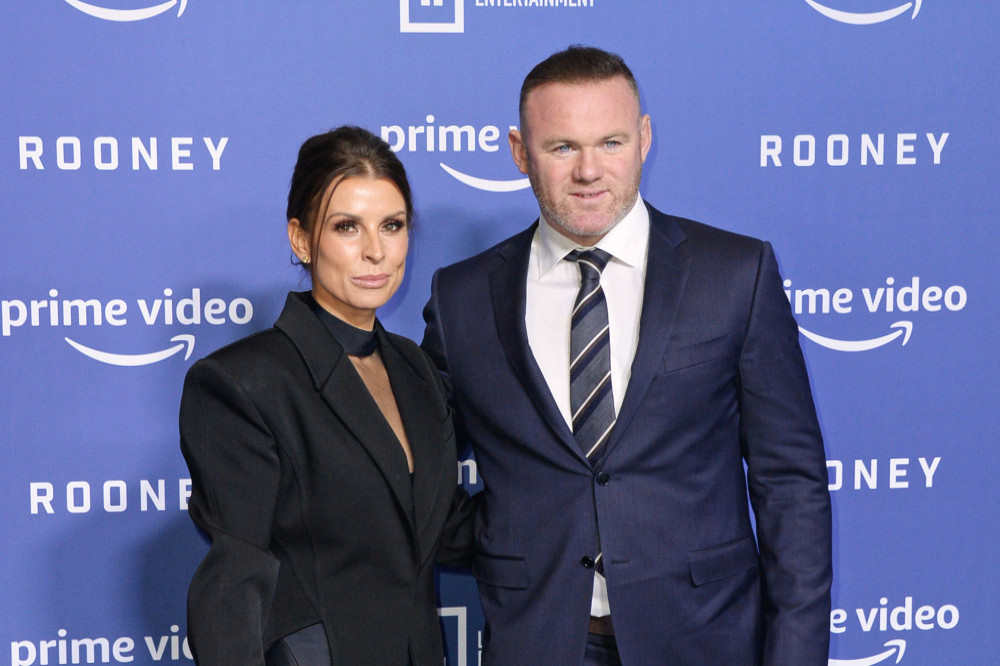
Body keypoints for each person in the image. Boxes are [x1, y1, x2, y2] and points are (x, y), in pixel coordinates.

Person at [421, 46, 832, 665]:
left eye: (610, 142)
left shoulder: (736, 274)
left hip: (705, 638)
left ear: (643, 139)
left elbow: (790, 484)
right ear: (519, 152)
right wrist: (510, 533)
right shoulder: (462, 298)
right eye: (562, 147)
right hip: (536, 642)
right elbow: (421, 474)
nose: (589, 171)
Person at [180, 126, 473, 665]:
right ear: (300, 238)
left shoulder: (416, 368)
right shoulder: (243, 383)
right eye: (346, 227)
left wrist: (566, 517)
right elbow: (233, 585)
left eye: (392, 225)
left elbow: (440, 527)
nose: (375, 251)